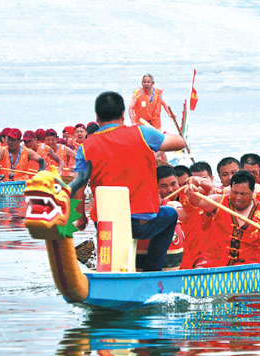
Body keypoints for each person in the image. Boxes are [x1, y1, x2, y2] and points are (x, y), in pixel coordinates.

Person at [72, 91, 185, 272]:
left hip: (105, 223)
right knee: (171, 215)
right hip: (140, 224)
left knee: (100, 223)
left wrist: (81, 218)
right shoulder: (142, 133)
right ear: (123, 115)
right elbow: (179, 143)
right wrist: (157, 133)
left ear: (97, 118)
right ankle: (152, 270)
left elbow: (78, 187)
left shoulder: (85, 148)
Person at [185, 170, 260, 267]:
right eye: (235, 192)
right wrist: (192, 191)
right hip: (218, 267)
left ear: (252, 192)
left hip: (251, 269)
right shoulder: (218, 201)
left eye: (243, 194)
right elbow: (197, 201)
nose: (238, 198)